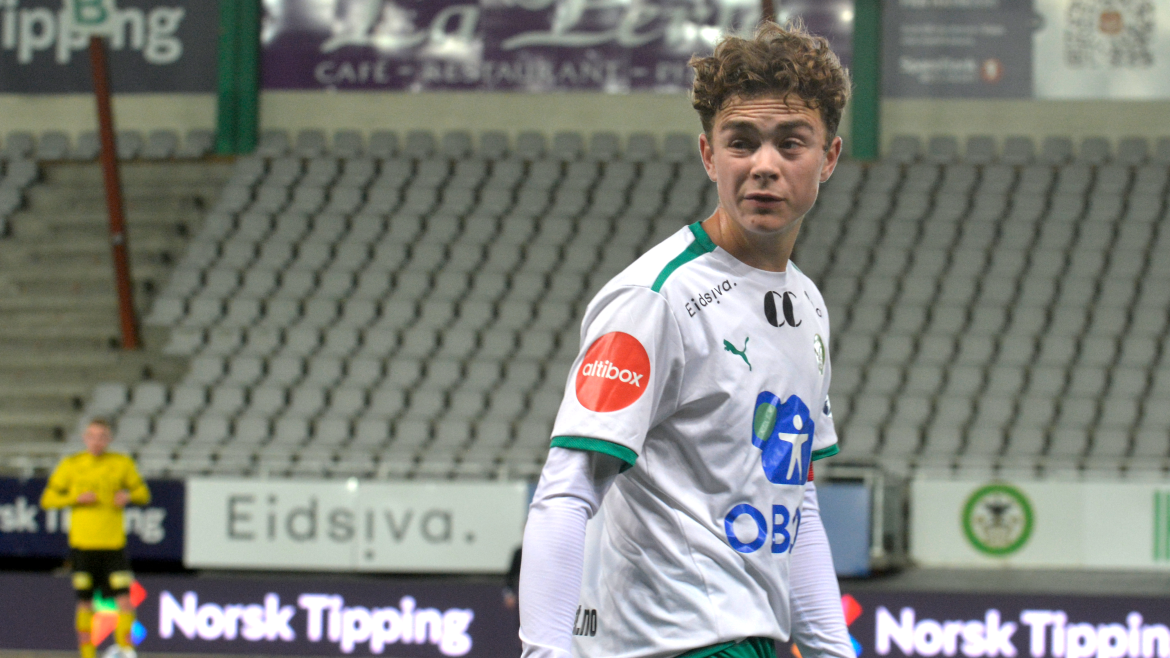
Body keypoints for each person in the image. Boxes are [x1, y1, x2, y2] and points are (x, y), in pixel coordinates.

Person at [518, 20, 855, 658]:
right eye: (741, 142)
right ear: (708, 155)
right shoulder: (656, 298)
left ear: (829, 157)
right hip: (676, 643)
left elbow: (796, 500)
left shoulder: (808, 305)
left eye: (791, 143)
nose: (764, 166)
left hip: (751, 638)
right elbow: (565, 490)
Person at [41, 418, 150, 658]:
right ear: (85, 438)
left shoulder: (121, 463)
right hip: (83, 545)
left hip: (112, 545)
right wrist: (75, 498)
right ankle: (88, 654)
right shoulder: (72, 465)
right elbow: (48, 499)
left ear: (109, 439)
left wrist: (128, 496)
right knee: (85, 602)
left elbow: (143, 493)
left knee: (124, 599)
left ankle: (125, 651)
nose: (97, 441)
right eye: (92, 436)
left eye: (102, 436)